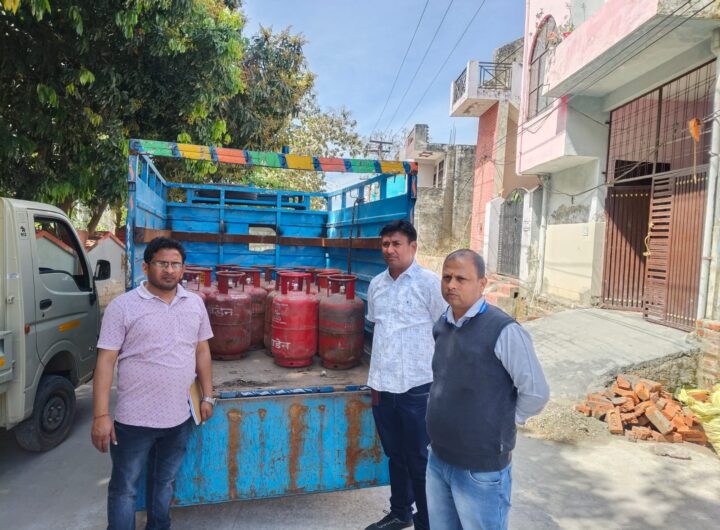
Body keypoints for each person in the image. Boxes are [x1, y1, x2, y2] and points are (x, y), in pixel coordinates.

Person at [91, 237, 215, 530]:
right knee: (124, 488)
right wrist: (100, 415)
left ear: (183, 269)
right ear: (146, 267)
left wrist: (208, 396)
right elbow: (105, 361)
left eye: (175, 264)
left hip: (179, 418)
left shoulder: (194, 303)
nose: (169, 270)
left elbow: (202, 350)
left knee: (164, 482)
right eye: (162, 263)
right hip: (133, 421)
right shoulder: (123, 307)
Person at [425, 249, 550, 530]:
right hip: (439, 459)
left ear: (482, 283)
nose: (451, 285)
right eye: (446, 277)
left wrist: (503, 421)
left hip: (480, 469)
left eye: (461, 278)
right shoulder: (443, 324)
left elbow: (536, 392)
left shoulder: (503, 330)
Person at [365, 220, 447, 530]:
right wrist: (376, 383)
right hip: (383, 386)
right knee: (395, 455)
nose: (389, 249)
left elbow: (446, 330)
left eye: (396, 243)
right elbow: (379, 330)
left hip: (418, 387)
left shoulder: (429, 283)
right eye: (385, 244)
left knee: (419, 460)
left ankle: (427, 522)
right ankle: (400, 512)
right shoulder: (376, 285)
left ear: (413, 246)